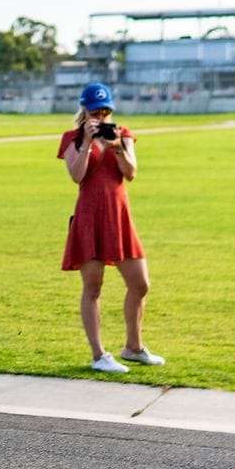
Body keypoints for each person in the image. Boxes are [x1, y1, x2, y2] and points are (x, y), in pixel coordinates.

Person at [56, 83, 165, 373]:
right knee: (93, 288)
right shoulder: (72, 139)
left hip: (119, 217)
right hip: (90, 218)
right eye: (95, 111)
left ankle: (133, 347)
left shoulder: (122, 134)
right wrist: (88, 144)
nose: (101, 117)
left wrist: (117, 147)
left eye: (106, 111)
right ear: (84, 110)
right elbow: (77, 176)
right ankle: (98, 355)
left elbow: (130, 173)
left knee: (140, 284)